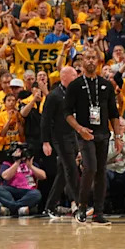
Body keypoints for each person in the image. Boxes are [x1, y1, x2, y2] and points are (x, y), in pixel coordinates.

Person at [65, 47, 123, 225]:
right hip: (85, 134)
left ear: (98, 61)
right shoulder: (74, 85)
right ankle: (82, 207)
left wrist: (118, 137)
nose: (90, 61)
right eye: (87, 58)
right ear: (82, 62)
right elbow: (66, 113)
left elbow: (114, 114)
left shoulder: (106, 85)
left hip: (103, 135)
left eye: (93, 58)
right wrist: (80, 129)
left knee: (100, 173)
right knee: (90, 168)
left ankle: (98, 212)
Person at [41, 66, 80, 217]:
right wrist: (45, 141)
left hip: (73, 136)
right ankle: (80, 203)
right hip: (59, 137)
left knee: (63, 174)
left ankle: (50, 206)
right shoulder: (54, 96)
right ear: (64, 77)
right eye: (74, 75)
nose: (77, 78)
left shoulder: (74, 94)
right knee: (70, 169)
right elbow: (45, 119)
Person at [0, 146, 46, 216]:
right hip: (11, 190)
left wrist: (30, 166)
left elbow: (43, 176)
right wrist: (17, 162)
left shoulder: (32, 164)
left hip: (27, 191)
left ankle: (12, 208)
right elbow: (6, 176)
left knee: (36, 194)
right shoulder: (7, 164)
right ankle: (20, 209)